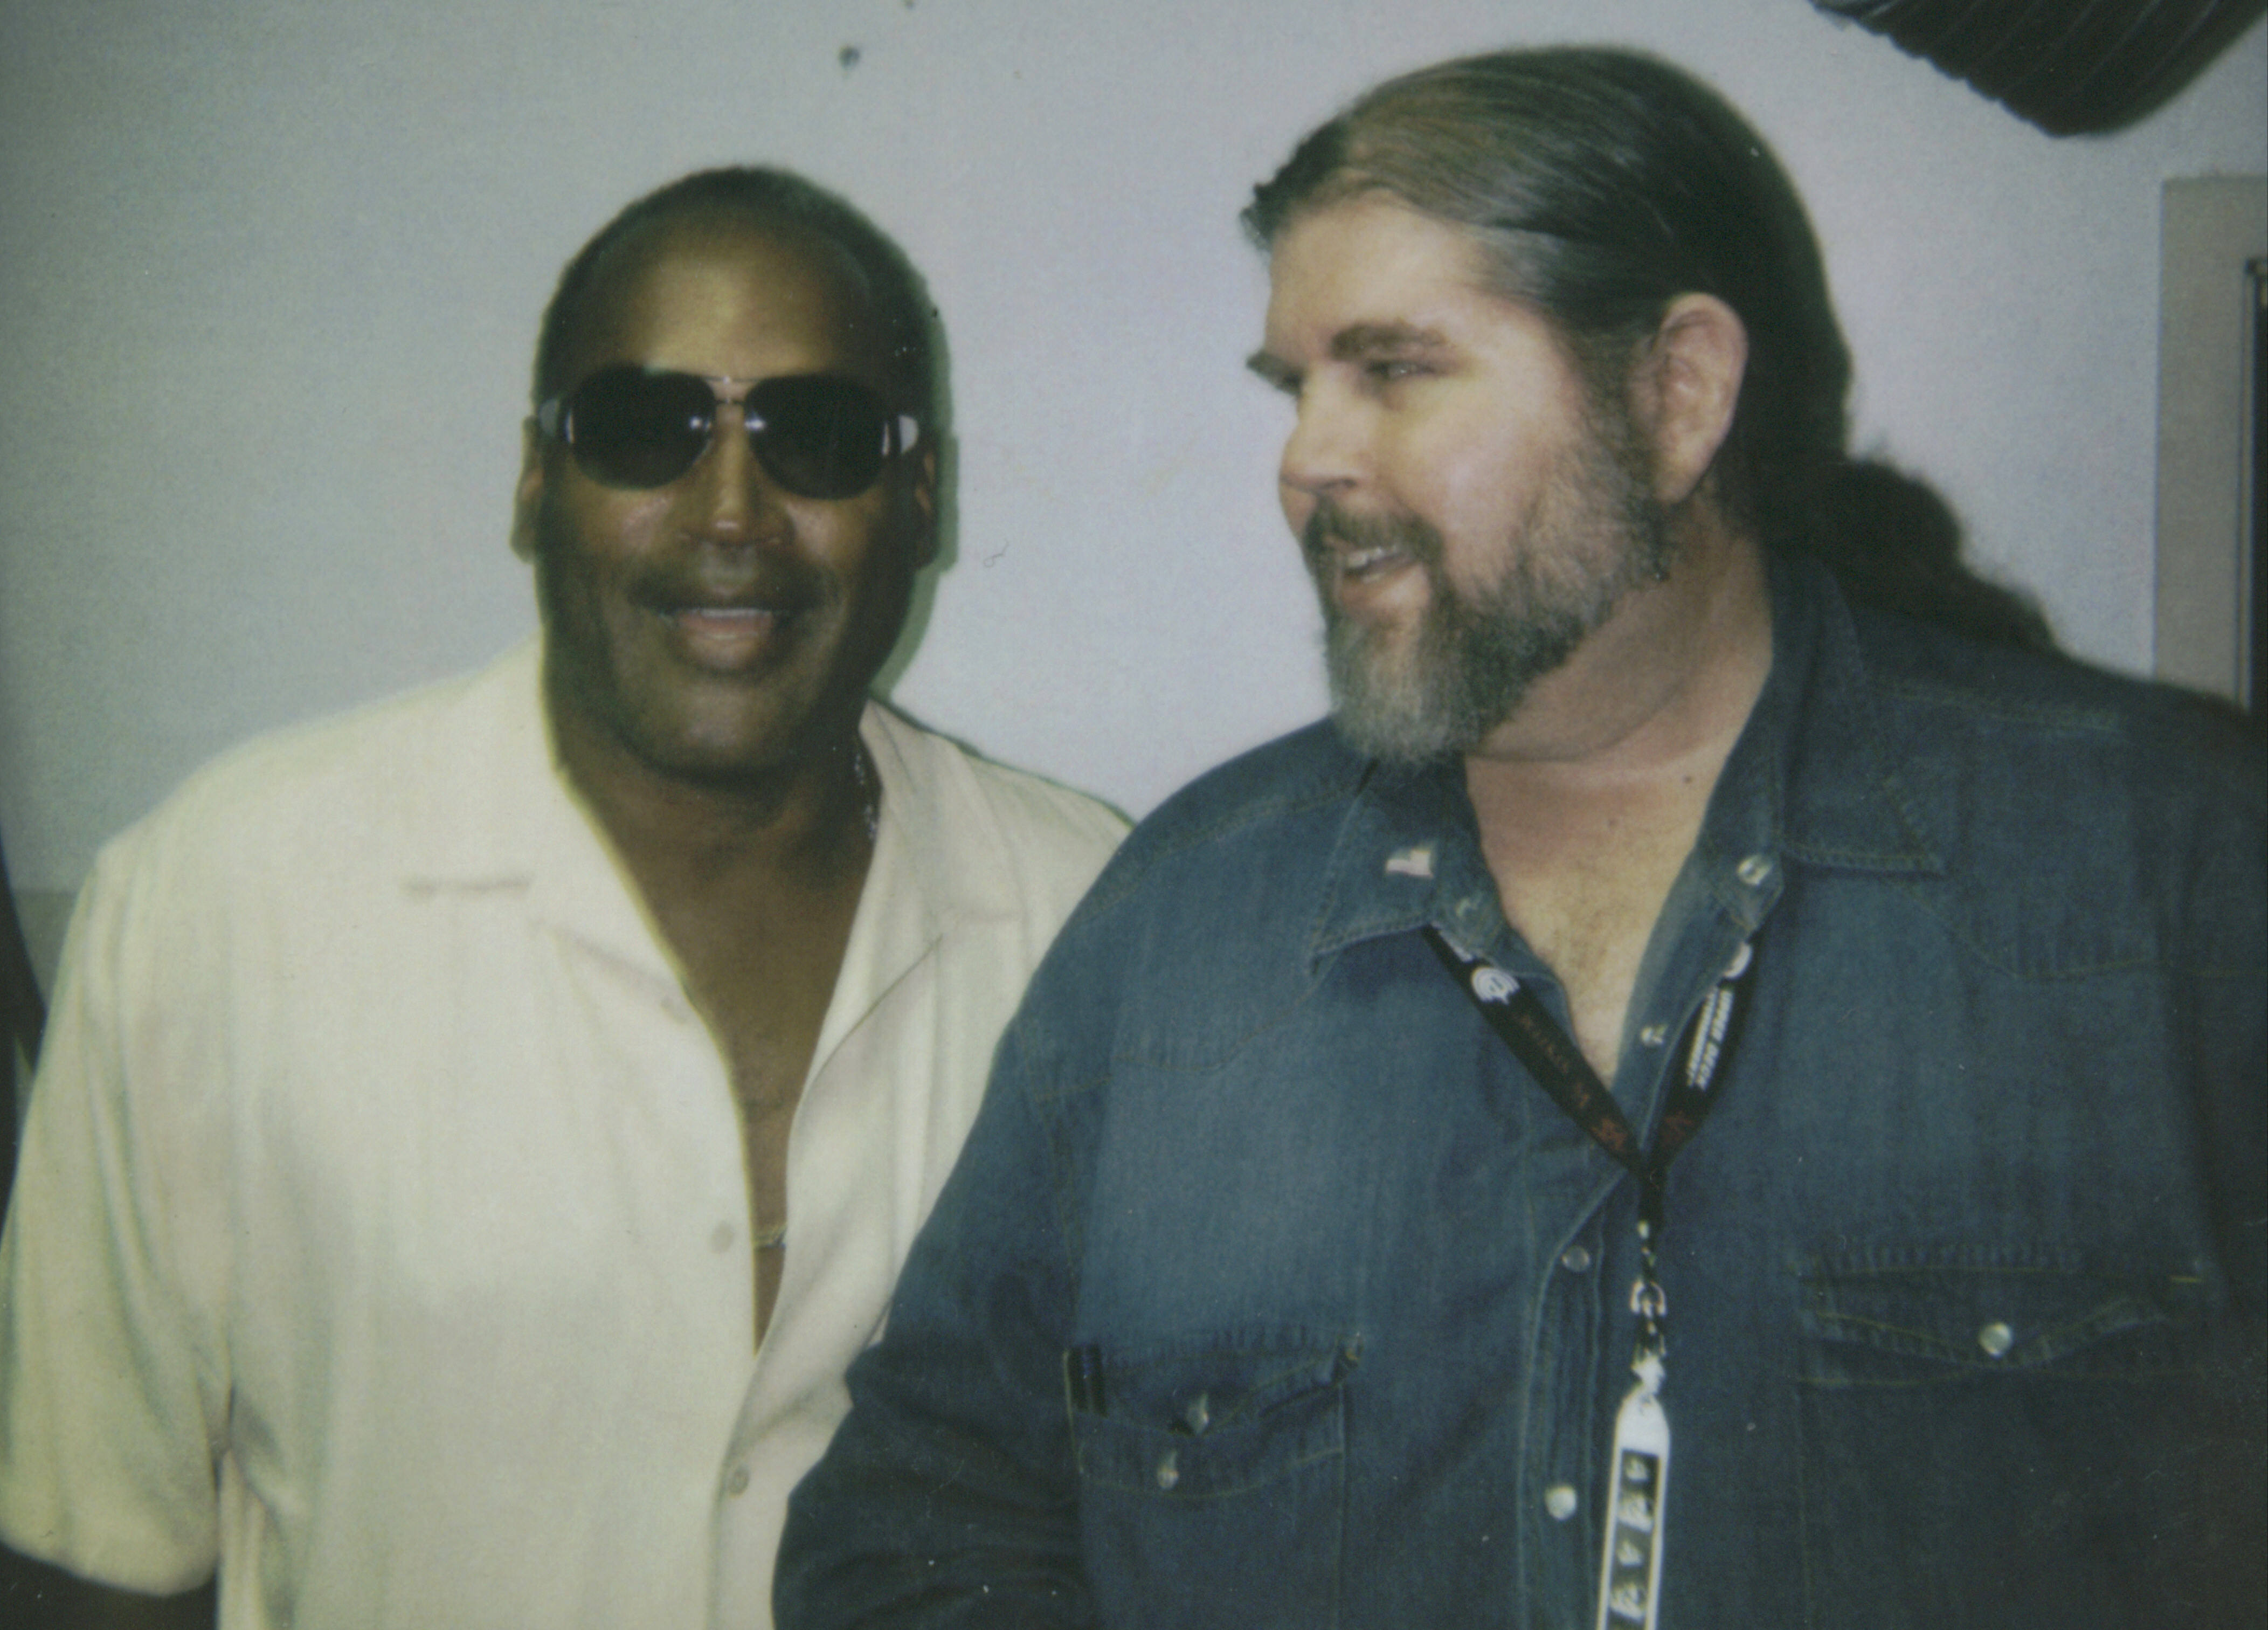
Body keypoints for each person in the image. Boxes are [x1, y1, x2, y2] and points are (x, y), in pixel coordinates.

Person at [776, 49, 2265, 1630]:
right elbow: (905, 1536)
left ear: (1677, 392)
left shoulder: (2169, 873)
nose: (1307, 463)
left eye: (1396, 369)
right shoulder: (1176, 934)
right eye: (1298, 387)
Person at [0, 167, 1125, 1629]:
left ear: (920, 497)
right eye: (644, 429)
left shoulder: (1095, 928)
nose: (733, 510)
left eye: (819, 437)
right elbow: (90, 1558)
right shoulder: (220, 911)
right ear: (537, 484)